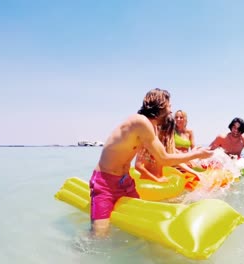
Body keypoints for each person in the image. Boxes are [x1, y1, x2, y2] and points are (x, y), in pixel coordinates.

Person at [89, 88, 213, 237]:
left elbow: (166, 154)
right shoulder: (140, 122)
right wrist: (196, 154)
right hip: (105, 183)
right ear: (160, 105)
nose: (171, 110)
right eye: (169, 105)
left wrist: (195, 159)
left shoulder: (150, 125)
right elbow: (164, 158)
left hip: (125, 181)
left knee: (138, 221)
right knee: (99, 235)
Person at [135, 115, 202, 182]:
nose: (166, 135)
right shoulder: (146, 144)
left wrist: (194, 172)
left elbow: (175, 160)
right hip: (149, 182)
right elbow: (138, 166)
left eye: (168, 132)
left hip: (161, 180)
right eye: (164, 130)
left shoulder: (163, 145)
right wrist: (157, 180)